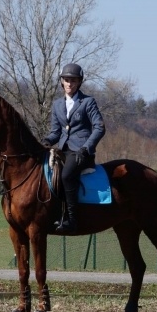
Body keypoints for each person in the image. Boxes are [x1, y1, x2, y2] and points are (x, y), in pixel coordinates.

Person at [42, 63, 105, 233]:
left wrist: (86, 148)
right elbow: (56, 132)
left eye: (73, 80)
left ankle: (72, 220)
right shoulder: (57, 104)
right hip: (63, 150)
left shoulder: (88, 102)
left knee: (67, 175)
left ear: (79, 82)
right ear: (62, 82)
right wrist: (47, 141)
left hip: (81, 152)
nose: (69, 83)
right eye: (66, 80)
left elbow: (99, 127)